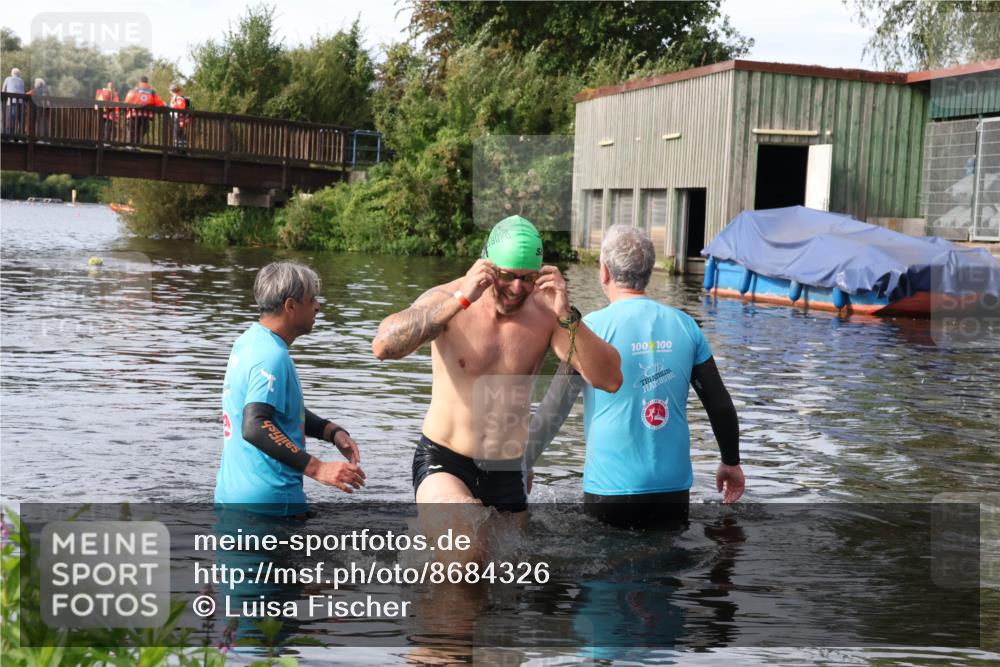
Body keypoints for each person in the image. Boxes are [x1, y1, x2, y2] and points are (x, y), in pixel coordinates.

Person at [372, 215, 622, 514]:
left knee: (507, 561)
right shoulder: (447, 299)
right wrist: (460, 300)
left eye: (527, 278)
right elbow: (383, 347)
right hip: (445, 460)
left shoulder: (547, 313)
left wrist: (567, 314)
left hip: (507, 468)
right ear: (486, 266)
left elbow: (610, 380)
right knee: (464, 538)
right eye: (507, 276)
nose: (517, 288)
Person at [528, 225, 744, 528]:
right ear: (650, 270)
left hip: (610, 490)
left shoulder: (589, 330)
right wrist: (731, 462)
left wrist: (523, 464)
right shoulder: (685, 325)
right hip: (673, 489)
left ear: (604, 272)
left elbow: (555, 408)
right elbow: (719, 404)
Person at [215, 261, 366, 516]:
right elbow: (256, 426)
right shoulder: (272, 356)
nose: (317, 306)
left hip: (234, 498)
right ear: (291, 306)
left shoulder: (248, 343)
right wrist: (318, 468)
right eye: (311, 299)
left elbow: (277, 408)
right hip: (269, 507)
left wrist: (329, 431)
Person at [123, 76, 164, 144]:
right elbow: (160, 104)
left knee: (132, 130)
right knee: (142, 131)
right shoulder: (152, 92)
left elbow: (127, 102)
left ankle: (130, 145)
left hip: (133, 114)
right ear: (147, 82)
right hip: (146, 116)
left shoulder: (134, 90)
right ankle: (137, 145)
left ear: (140, 82)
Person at [2, 68, 25, 136]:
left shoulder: (8, 79)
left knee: (11, 118)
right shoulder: (22, 81)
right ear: (19, 74)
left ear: (12, 73)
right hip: (21, 102)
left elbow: (3, 90)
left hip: (11, 102)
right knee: (19, 119)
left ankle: (9, 134)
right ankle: (19, 134)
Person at [168, 83, 190, 149]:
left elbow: (181, 109)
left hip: (179, 119)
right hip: (177, 119)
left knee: (178, 134)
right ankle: (179, 149)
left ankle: (179, 149)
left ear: (171, 91)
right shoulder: (175, 98)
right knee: (178, 134)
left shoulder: (179, 99)